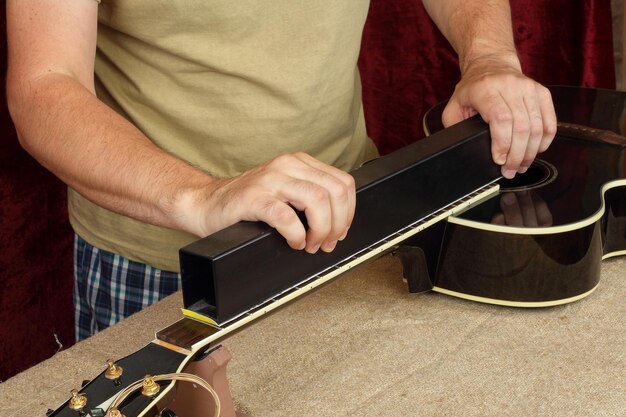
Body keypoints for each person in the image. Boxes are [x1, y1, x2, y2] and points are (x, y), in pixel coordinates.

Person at [6, 0, 556, 340]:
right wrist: (204, 196)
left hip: (351, 222)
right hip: (166, 257)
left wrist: (489, 57)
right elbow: (43, 88)